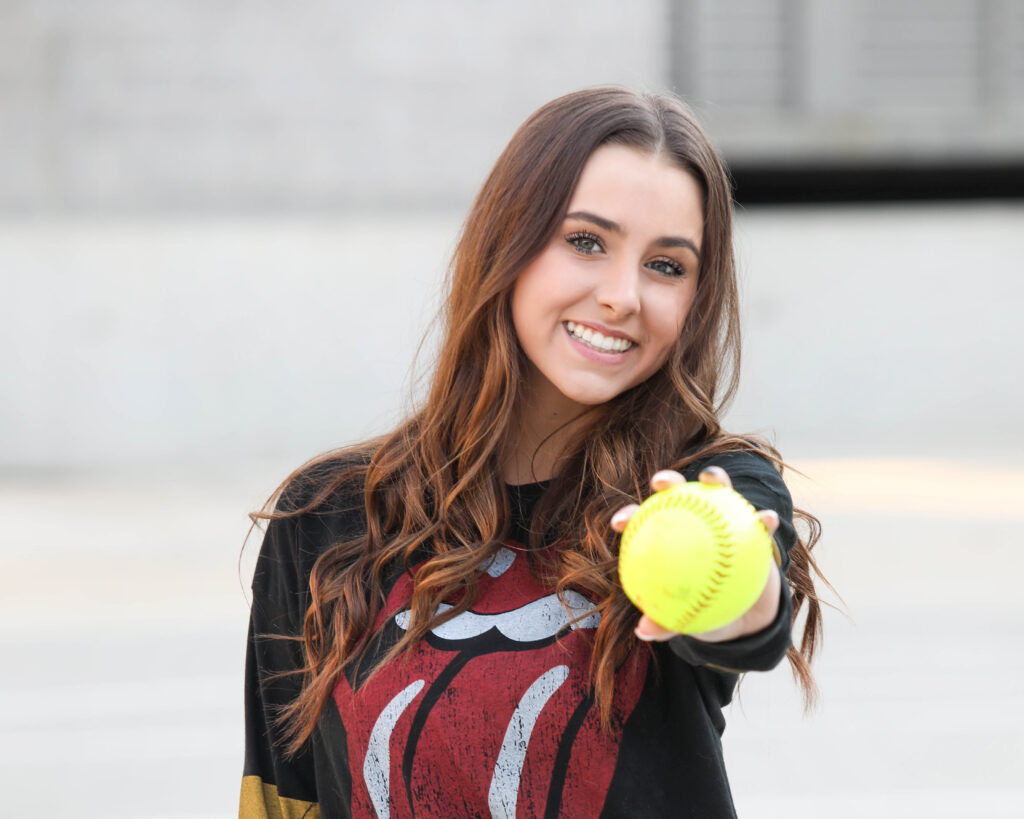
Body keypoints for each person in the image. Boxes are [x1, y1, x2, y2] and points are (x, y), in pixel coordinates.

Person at [240, 87, 825, 818]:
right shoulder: (326, 515)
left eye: (667, 266)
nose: (622, 296)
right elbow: (282, 794)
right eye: (586, 242)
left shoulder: (707, 492)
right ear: (508, 243)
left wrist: (736, 591)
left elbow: (751, 619)